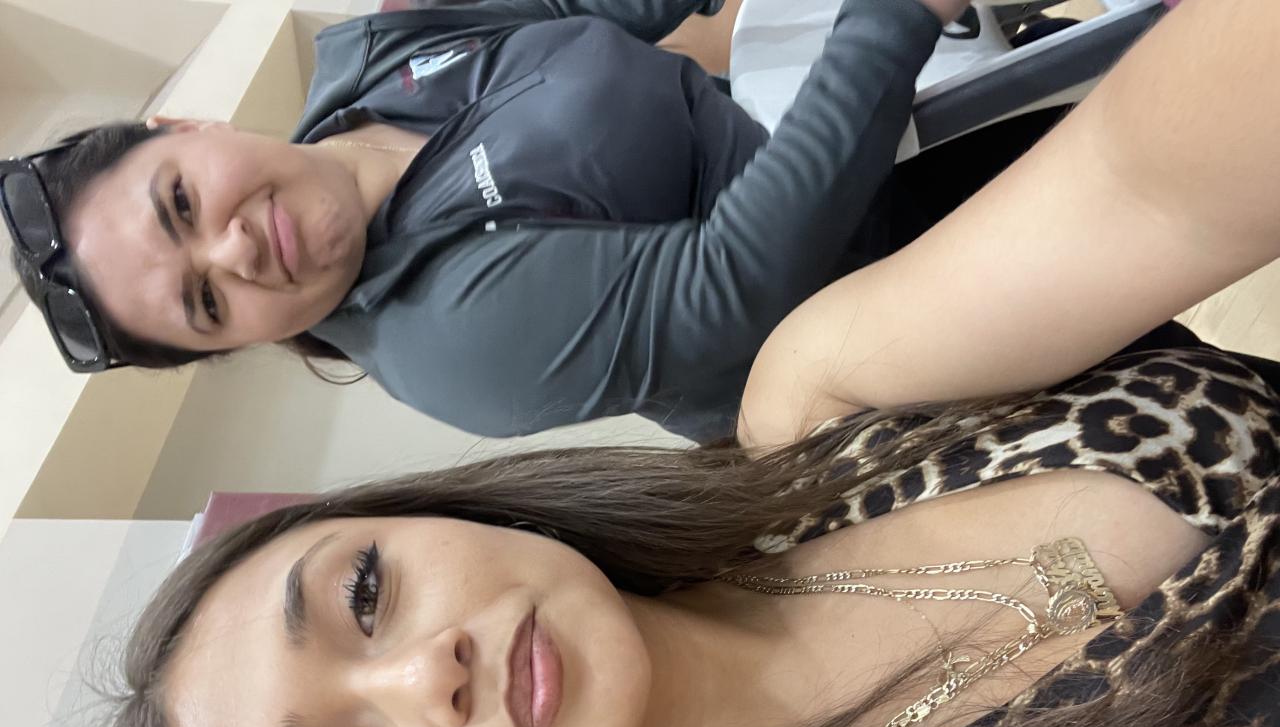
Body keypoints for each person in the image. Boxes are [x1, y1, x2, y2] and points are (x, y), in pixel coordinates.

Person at [102, 0, 1280, 727]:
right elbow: (724, 278)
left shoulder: (817, 414)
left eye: (364, 594)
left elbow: (1148, 189)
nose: (427, 673)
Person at [5, 0, 1082, 443]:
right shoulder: (448, 344)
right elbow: (735, 279)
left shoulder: (369, 57)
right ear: (232, 342)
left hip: (871, 123)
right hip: (911, 297)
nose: (233, 249)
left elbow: (583, 9)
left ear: (187, 126)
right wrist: (894, 15)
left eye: (180, 202)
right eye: (205, 301)